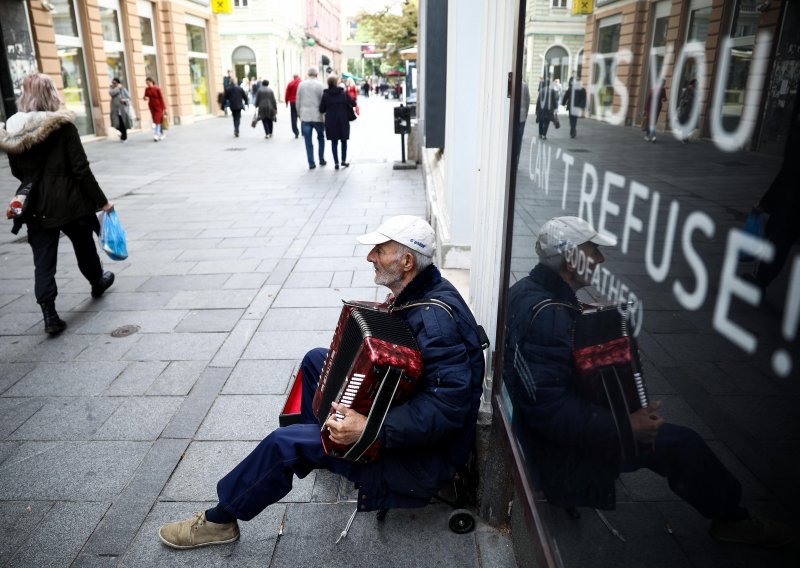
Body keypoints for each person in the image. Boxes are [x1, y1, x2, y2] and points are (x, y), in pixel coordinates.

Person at [158, 215, 486, 550]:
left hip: (420, 459)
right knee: (317, 359)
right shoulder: (422, 290)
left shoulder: (434, 321)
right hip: (406, 424)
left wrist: (370, 427)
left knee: (286, 442)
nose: (370, 256)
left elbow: (448, 408)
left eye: (380, 249)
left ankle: (220, 520)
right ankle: (327, 445)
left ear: (406, 262)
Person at [503, 215, 794, 549]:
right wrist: (626, 427)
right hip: (554, 450)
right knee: (680, 443)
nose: (600, 258)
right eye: (593, 249)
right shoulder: (551, 315)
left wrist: (582, 312)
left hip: (534, 428)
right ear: (571, 258)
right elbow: (549, 410)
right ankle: (733, 520)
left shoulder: (526, 289)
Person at [0, 73, 115, 334]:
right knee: (83, 245)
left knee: (43, 259)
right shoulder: (63, 126)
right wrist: (102, 202)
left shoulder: (12, 130)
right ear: (51, 94)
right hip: (71, 201)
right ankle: (97, 281)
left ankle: (49, 314)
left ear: (25, 95)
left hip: (36, 205)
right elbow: (80, 169)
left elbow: (17, 172)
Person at [319, 75, 356, 170]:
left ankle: (336, 162)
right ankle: (343, 161)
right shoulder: (343, 93)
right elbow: (354, 103)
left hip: (331, 121)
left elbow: (321, 109)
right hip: (343, 120)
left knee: (334, 142)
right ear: (336, 83)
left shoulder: (325, 95)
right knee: (344, 141)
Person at [296, 66, 326, 169]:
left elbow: (297, 101)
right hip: (318, 116)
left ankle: (311, 162)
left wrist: (299, 114)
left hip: (305, 116)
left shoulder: (301, 85)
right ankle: (321, 159)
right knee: (321, 138)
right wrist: (324, 115)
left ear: (308, 74)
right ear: (317, 74)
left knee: (308, 141)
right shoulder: (320, 85)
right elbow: (323, 101)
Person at [142, 77, 166, 142]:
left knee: (157, 120)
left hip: (159, 107)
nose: (147, 84)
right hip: (152, 106)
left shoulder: (157, 88)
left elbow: (161, 98)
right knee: (156, 121)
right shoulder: (147, 89)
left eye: (148, 83)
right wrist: (145, 98)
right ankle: (162, 134)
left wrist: (164, 108)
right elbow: (144, 96)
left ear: (151, 82)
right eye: (146, 83)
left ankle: (156, 134)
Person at [109, 77, 132, 142]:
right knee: (116, 124)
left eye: (115, 83)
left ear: (118, 83)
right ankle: (123, 134)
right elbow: (111, 93)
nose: (113, 84)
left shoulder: (123, 89)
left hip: (123, 110)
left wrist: (125, 100)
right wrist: (117, 88)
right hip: (115, 110)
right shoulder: (112, 89)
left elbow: (129, 98)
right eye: (112, 83)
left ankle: (124, 137)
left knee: (123, 123)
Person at [678, 78, 697, 143]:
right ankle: (684, 137)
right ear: (691, 84)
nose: (695, 85)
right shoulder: (686, 90)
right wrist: (685, 101)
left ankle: (685, 136)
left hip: (689, 111)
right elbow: (681, 99)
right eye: (695, 84)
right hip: (684, 111)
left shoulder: (694, 91)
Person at [285, 73, 301, 138]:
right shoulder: (302, 83)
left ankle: (296, 132)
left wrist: (286, 102)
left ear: (293, 77)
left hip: (293, 102)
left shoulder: (290, 83)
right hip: (300, 102)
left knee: (293, 117)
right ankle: (304, 131)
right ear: (298, 77)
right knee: (302, 116)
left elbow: (287, 93)